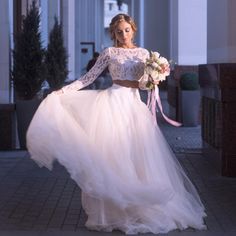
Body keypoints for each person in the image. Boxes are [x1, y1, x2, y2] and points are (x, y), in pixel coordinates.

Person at [27, 14, 206, 234]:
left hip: (134, 106)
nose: (123, 35)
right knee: (114, 158)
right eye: (119, 31)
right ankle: (114, 212)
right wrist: (62, 91)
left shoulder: (144, 54)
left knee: (139, 156)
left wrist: (153, 78)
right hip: (112, 104)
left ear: (133, 29)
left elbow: (145, 86)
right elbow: (88, 77)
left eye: (127, 30)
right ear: (113, 33)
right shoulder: (109, 53)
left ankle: (142, 208)